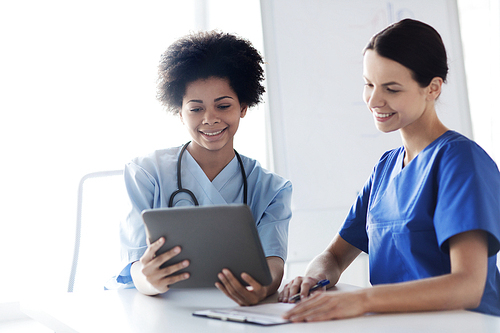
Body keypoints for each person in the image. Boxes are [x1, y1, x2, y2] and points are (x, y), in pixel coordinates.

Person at [279, 18, 500, 321]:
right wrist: (312, 279)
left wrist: (363, 299)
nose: (373, 100)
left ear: (433, 88)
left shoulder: (461, 162)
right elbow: (333, 256)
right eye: (368, 84)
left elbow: (468, 285)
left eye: (391, 89)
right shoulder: (386, 168)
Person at [109, 31, 292, 306]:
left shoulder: (272, 189)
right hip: (158, 311)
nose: (210, 119)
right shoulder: (146, 173)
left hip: (237, 314)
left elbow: (273, 264)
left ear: (243, 107)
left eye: (223, 105)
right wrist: (149, 281)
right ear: (179, 111)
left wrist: (263, 288)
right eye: (196, 109)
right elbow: (134, 264)